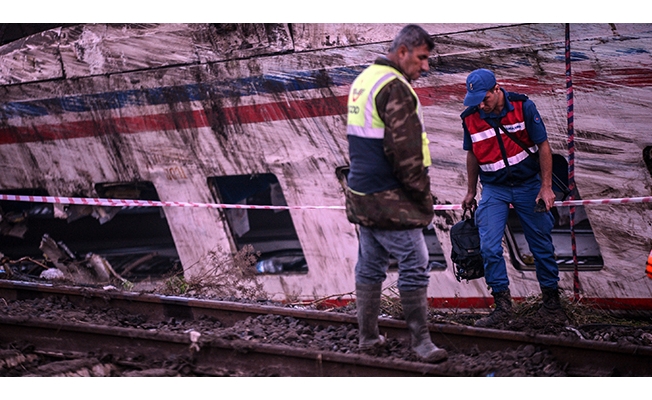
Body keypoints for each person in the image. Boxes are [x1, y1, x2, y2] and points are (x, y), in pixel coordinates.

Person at [344, 24, 447, 363]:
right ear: (402, 52)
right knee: (416, 263)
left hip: (362, 192)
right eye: (422, 58)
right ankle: (421, 343)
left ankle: (368, 338)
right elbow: (405, 153)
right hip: (390, 197)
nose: (426, 67)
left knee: (370, 265)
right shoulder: (396, 87)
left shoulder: (363, 80)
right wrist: (421, 197)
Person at [459, 68, 568, 327]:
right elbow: (473, 154)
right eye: (476, 102)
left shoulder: (523, 106)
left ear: (497, 89)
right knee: (488, 247)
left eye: (484, 99)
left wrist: (546, 187)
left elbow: (543, 146)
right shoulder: (470, 118)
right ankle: (503, 307)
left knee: (541, 245)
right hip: (494, 188)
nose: (481, 106)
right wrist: (471, 191)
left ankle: (552, 306)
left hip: (528, 185)